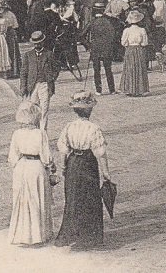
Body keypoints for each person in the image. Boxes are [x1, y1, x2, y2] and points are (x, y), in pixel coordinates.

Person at [54, 91, 110, 251]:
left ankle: (72, 234)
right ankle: (89, 236)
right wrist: (106, 173)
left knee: (72, 198)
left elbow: (63, 149)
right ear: (90, 110)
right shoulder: (93, 128)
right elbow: (100, 152)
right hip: (88, 164)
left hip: (73, 163)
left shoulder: (69, 127)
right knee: (90, 198)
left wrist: (63, 167)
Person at [7, 101, 55, 245]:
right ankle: (38, 234)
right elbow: (46, 157)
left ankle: (22, 234)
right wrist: (50, 166)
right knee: (37, 200)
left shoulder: (16, 133)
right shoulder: (40, 134)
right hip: (35, 167)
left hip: (21, 167)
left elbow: (12, 157)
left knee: (22, 201)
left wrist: (17, 165)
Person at [22, 31, 59, 131]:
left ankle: (43, 132)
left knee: (44, 109)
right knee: (33, 109)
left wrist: (51, 78)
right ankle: (35, 131)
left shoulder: (49, 54)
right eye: (35, 43)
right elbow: (24, 72)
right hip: (32, 86)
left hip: (45, 85)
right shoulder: (28, 55)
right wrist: (23, 88)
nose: (37, 45)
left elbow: (56, 68)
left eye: (39, 42)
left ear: (43, 42)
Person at [82, 2, 119, 94]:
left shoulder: (92, 22)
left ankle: (99, 90)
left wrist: (88, 45)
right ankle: (112, 90)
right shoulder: (109, 22)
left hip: (95, 48)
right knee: (108, 69)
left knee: (96, 70)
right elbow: (115, 35)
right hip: (107, 48)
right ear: (103, 10)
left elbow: (81, 36)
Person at [120, 10, 150, 97]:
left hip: (130, 50)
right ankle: (140, 89)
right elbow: (145, 43)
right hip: (139, 49)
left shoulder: (127, 30)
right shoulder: (142, 30)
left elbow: (123, 43)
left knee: (129, 68)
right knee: (139, 68)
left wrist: (128, 45)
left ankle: (129, 89)